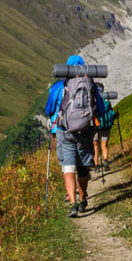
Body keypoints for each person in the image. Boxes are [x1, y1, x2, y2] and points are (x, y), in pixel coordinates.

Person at [45, 55, 106, 218]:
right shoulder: (91, 85)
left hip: (65, 131)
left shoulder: (59, 86)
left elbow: (49, 109)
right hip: (85, 132)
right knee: (83, 167)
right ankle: (83, 197)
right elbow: (101, 108)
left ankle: (72, 203)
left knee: (68, 168)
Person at [93, 84, 116, 171]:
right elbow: (111, 113)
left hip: (95, 126)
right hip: (106, 126)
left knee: (95, 146)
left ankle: (96, 166)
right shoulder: (107, 101)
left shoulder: (93, 100)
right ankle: (105, 161)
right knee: (104, 145)